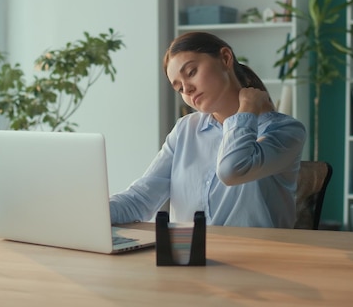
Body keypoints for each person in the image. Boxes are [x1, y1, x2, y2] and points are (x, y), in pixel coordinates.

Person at [109, 31, 306, 228]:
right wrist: (93, 214)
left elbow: (232, 169)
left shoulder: (285, 130)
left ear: (225, 58)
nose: (186, 90)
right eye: (178, 88)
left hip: (258, 255)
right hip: (188, 255)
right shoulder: (184, 130)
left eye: (191, 72)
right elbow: (141, 199)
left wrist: (247, 109)